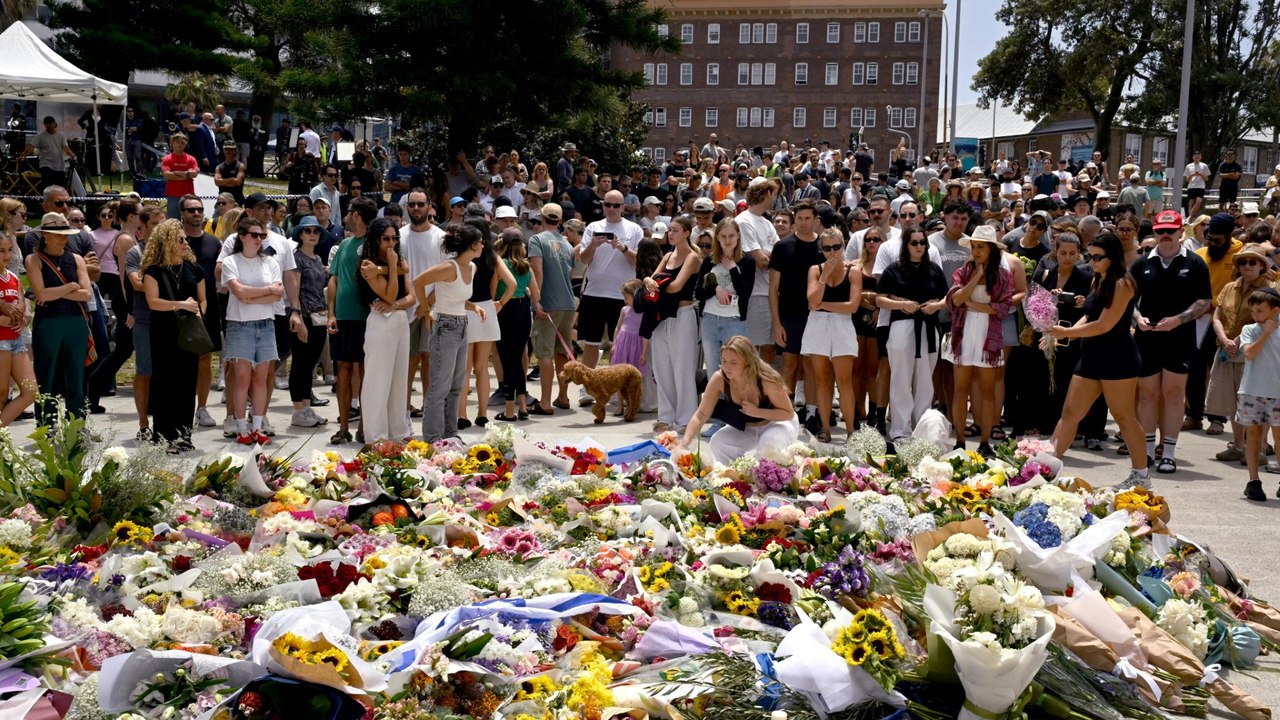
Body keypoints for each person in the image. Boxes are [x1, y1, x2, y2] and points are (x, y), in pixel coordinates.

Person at [1047, 233, 1150, 487]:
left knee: (1124, 416)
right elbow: (1090, 314)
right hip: (1091, 355)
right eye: (1090, 256)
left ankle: (1141, 475)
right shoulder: (1099, 277)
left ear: (1112, 257)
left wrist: (1067, 333)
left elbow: (1104, 325)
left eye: (1097, 257)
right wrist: (1064, 332)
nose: (1091, 261)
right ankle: (1047, 467)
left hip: (1118, 358)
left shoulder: (1123, 283)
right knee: (1070, 413)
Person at [1131, 210, 1212, 473]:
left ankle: (1168, 452)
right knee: (1147, 395)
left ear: (1181, 232)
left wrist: (1177, 320)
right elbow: (1128, 301)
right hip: (1147, 337)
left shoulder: (1196, 263)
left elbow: (1204, 302)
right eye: (1160, 231)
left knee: (1174, 394)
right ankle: (1146, 451)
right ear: (1154, 232)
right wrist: (1138, 318)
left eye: (1171, 231)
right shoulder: (1141, 263)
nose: (1165, 236)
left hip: (1180, 337)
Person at [677, 336, 800, 465]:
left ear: (747, 362)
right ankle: (735, 476)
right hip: (749, 427)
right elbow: (701, 414)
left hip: (778, 423)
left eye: (733, 362)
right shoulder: (719, 378)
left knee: (769, 446)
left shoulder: (766, 379)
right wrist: (684, 443)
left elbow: (788, 413)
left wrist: (758, 412)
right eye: (724, 361)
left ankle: (765, 477)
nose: (726, 367)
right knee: (719, 441)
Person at [414, 224, 487, 442]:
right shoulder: (449, 267)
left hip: (462, 324)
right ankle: (433, 438)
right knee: (439, 387)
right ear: (472, 245)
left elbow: (455, 296)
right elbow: (418, 281)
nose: (483, 245)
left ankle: (450, 434)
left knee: (457, 386)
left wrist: (473, 307)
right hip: (445, 326)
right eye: (481, 242)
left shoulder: (472, 267)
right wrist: (426, 309)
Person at [1029, 233, 1104, 444]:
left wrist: (1082, 302)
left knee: (1069, 383)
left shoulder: (1087, 278)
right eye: (1063, 253)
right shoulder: (1044, 275)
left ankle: (1078, 428)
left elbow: (1094, 308)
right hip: (1046, 334)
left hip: (1074, 338)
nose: (1068, 258)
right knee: (1046, 381)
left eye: (1072, 253)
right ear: (1055, 252)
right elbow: (1031, 304)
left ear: (1079, 254)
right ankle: (1048, 425)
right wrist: (1047, 299)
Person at [946, 226, 1014, 457]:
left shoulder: (1003, 276)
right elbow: (955, 300)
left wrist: (973, 305)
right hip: (964, 334)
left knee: (987, 391)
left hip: (989, 337)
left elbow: (1003, 309)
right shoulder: (963, 272)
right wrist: (975, 278)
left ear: (991, 249)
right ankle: (960, 441)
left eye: (980, 247)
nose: (975, 251)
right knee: (960, 389)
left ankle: (985, 442)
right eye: (973, 246)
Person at [876, 225, 948, 441]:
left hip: (928, 328)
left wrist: (937, 306)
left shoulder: (934, 269)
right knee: (901, 378)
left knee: (926, 381)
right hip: (902, 327)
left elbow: (947, 298)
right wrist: (902, 305)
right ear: (906, 245)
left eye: (923, 242)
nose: (919, 246)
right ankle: (900, 429)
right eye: (914, 242)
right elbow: (880, 299)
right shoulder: (893, 270)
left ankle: (922, 428)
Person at [140, 219, 206, 452]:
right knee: (165, 383)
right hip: (163, 332)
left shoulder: (194, 268)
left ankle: (184, 435)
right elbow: (153, 302)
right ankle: (163, 436)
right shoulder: (153, 271)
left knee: (187, 383)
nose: (186, 243)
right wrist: (181, 305)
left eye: (186, 239)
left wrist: (199, 313)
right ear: (166, 242)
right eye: (180, 240)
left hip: (187, 332)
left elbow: (203, 299)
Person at [1205, 247, 1274, 465]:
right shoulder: (1229, 287)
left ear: (1262, 265)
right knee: (1234, 399)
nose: (1247, 266)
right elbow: (1217, 315)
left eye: (1253, 262)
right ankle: (1237, 445)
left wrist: (1239, 339)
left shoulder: (1270, 289)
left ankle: (1261, 448)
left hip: (1255, 352)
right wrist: (1224, 338)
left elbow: (1270, 322)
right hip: (1227, 350)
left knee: (1257, 399)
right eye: (1243, 262)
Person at [576, 190, 643, 404]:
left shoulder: (634, 229)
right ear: (602, 206)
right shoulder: (593, 227)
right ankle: (587, 388)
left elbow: (638, 261)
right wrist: (593, 245)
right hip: (594, 292)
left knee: (619, 343)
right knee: (591, 343)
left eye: (616, 205)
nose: (612, 209)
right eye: (608, 204)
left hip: (623, 296)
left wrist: (623, 248)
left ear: (623, 207)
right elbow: (584, 259)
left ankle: (615, 388)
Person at [222, 216, 284, 445]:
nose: (259, 239)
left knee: (261, 377)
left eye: (262, 235)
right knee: (242, 379)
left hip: (265, 323)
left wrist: (251, 296)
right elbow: (238, 292)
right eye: (254, 235)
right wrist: (265, 291)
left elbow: (279, 294)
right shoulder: (231, 261)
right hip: (240, 324)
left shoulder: (270, 262)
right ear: (242, 237)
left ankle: (257, 426)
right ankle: (241, 428)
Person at [26, 213, 92, 423]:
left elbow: (87, 294)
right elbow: (41, 294)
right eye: (58, 234)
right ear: (45, 234)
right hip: (49, 323)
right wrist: (71, 287)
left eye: (65, 233)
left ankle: (77, 428)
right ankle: (46, 428)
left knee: (76, 378)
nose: (63, 238)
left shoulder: (76, 258)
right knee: (46, 377)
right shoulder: (34, 259)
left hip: (75, 322)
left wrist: (56, 292)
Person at [354, 218, 414, 442]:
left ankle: (398, 432)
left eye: (395, 238)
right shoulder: (368, 265)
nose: (391, 243)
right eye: (386, 239)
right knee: (378, 380)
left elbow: (410, 297)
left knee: (399, 378)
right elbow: (389, 293)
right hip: (380, 320)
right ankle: (376, 436)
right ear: (376, 240)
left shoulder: (401, 261)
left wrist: (397, 304)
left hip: (399, 319)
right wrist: (390, 265)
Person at [800, 227, 862, 442]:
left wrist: (822, 305)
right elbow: (811, 300)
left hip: (842, 326)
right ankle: (825, 428)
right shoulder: (815, 270)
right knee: (822, 380)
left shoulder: (853, 271)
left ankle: (851, 431)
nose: (832, 252)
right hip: (818, 326)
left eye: (837, 247)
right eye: (827, 248)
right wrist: (825, 275)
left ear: (843, 246)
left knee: (844, 380)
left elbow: (853, 306)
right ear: (821, 249)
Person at [325, 197, 376, 444]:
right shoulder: (344, 244)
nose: (345, 216)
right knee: (342, 372)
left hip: (367, 318)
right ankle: (343, 426)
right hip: (342, 318)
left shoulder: (373, 244)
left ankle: (365, 427)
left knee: (365, 372)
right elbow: (333, 279)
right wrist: (331, 313)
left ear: (356, 214)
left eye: (348, 212)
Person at [644, 216, 703, 434]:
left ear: (687, 233)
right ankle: (666, 416)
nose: (671, 234)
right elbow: (650, 280)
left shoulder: (692, 256)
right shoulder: (668, 255)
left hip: (683, 314)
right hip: (661, 315)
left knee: (682, 367)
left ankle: (686, 418)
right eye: (670, 230)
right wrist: (650, 282)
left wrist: (654, 284)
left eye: (675, 230)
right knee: (662, 367)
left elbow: (676, 286)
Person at [458, 219, 516, 430]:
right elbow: (512, 284)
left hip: (466, 308)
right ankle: (482, 414)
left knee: (465, 369)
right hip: (487, 310)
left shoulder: (464, 257)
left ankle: (462, 414)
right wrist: (500, 303)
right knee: (482, 368)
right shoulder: (493, 257)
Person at [697, 216, 754, 383]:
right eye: (723, 236)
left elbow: (745, 292)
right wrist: (715, 288)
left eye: (731, 236)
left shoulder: (747, 261)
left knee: (737, 368)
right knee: (714, 369)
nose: (727, 240)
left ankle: (735, 406)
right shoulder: (709, 260)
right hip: (710, 319)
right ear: (717, 238)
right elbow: (699, 293)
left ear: (738, 236)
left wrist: (732, 269)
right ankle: (717, 406)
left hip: (734, 321)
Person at [287, 216, 330, 429]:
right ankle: (298, 409)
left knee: (310, 362)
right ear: (300, 235)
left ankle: (305, 406)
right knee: (301, 363)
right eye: (308, 231)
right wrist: (299, 318)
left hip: (319, 316)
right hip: (305, 316)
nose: (312, 234)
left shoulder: (316, 258)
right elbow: (295, 290)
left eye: (316, 231)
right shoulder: (297, 258)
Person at [1238, 288, 1280, 501]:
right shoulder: (1249, 329)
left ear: (1275, 310)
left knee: (1279, 436)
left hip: (1277, 393)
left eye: (1260, 311)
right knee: (1253, 435)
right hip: (1252, 390)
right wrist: (1265, 332)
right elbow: (1249, 353)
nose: (1256, 316)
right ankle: (1254, 481)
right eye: (1253, 311)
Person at [493, 227, 539, 421]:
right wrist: (526, 291)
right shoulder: (526, 267)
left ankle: (510, 408)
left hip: (505, 310)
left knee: (507, 359)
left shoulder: (501, 264)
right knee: (519, 358)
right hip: (523, 310)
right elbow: (537, 295)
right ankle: (522, 406)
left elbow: (493, 292)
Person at [0, 234, 35, 427]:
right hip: (1, 340)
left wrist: (22, 317)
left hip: (17, 338)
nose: (7, 255)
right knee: (2, 393)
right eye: (1, 251)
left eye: (10, 250)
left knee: (30, 391)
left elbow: (21, 301)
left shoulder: (12, 276)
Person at [851, 225, 883, 429]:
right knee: (855, 368)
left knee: (873, 369)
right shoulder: (855, 265)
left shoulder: (888, 265)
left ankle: (873, 411)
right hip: (856, 318)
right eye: (868, 239)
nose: (871, 243)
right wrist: (863, 299)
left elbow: (890, 292)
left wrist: (878, 308)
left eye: (876, 239)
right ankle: (854, 409)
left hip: (878, 318)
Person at [27, 116, 73, 191]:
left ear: (55, 124)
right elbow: (30, 146)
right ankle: (47, 201)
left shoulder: (61, 136)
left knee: (60, 188)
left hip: (59, 167)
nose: (48, 125)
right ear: (44, 125)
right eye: (46, 124)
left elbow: (66, 149)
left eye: (50, 123)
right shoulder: (40, 136)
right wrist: (23, 156)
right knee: (47, 188)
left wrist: (72, 155)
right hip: (46, 165)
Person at [161, 134, 200, 219]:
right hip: (173, 195)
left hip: (188, 196)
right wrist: (186, 175)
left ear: (185, 144)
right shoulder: (167, 159)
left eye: (182, 143)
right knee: (173, 222)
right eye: (177, 142)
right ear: (172, 143)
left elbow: (194, 173)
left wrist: (175, 173)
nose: (180, 144)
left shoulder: (191, 159)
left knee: (189, 221)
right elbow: (167, 175)